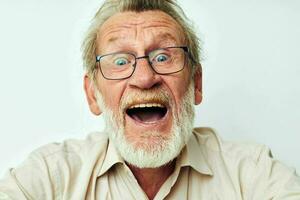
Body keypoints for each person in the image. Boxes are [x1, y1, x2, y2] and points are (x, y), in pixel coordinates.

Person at [0, 0, 299, 199]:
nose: (144, 78)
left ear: (196, 83)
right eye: (119, 62)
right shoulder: (51, 177)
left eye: (163, 56)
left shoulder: (253, 175)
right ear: (93, 94)